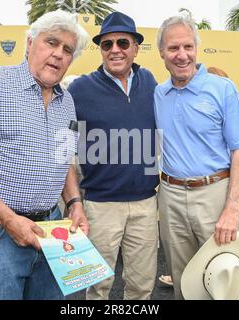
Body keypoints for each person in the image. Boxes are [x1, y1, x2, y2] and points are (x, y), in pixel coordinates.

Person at [0, 10, 89, 300]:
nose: (58, 54)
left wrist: (74, 203)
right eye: (51, 42)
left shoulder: (67, 101)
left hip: (51, 230)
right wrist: (10, 220)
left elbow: (64, 159)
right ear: (30, 43)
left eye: (67, 49)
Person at [154, 15, 239, 299]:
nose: (181, 55)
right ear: (162, 52)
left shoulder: (222, 89)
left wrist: (232, 208)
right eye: (173, 48)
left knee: (225, 280)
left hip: (215, 195)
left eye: (188, 46)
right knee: (183, 282)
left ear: (197, 49)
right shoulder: (159, 94)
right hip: (170, 196)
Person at [68, 12, 160, 300]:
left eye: (123, 42)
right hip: (100, 206)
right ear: (101, 50)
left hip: (145, 203)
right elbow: (63, 151)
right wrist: (74, 202)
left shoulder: (149, 81)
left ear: (135, 47)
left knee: (142, 285)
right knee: (97, 285)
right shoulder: (80, 89)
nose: (115, 50)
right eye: (107, 45)